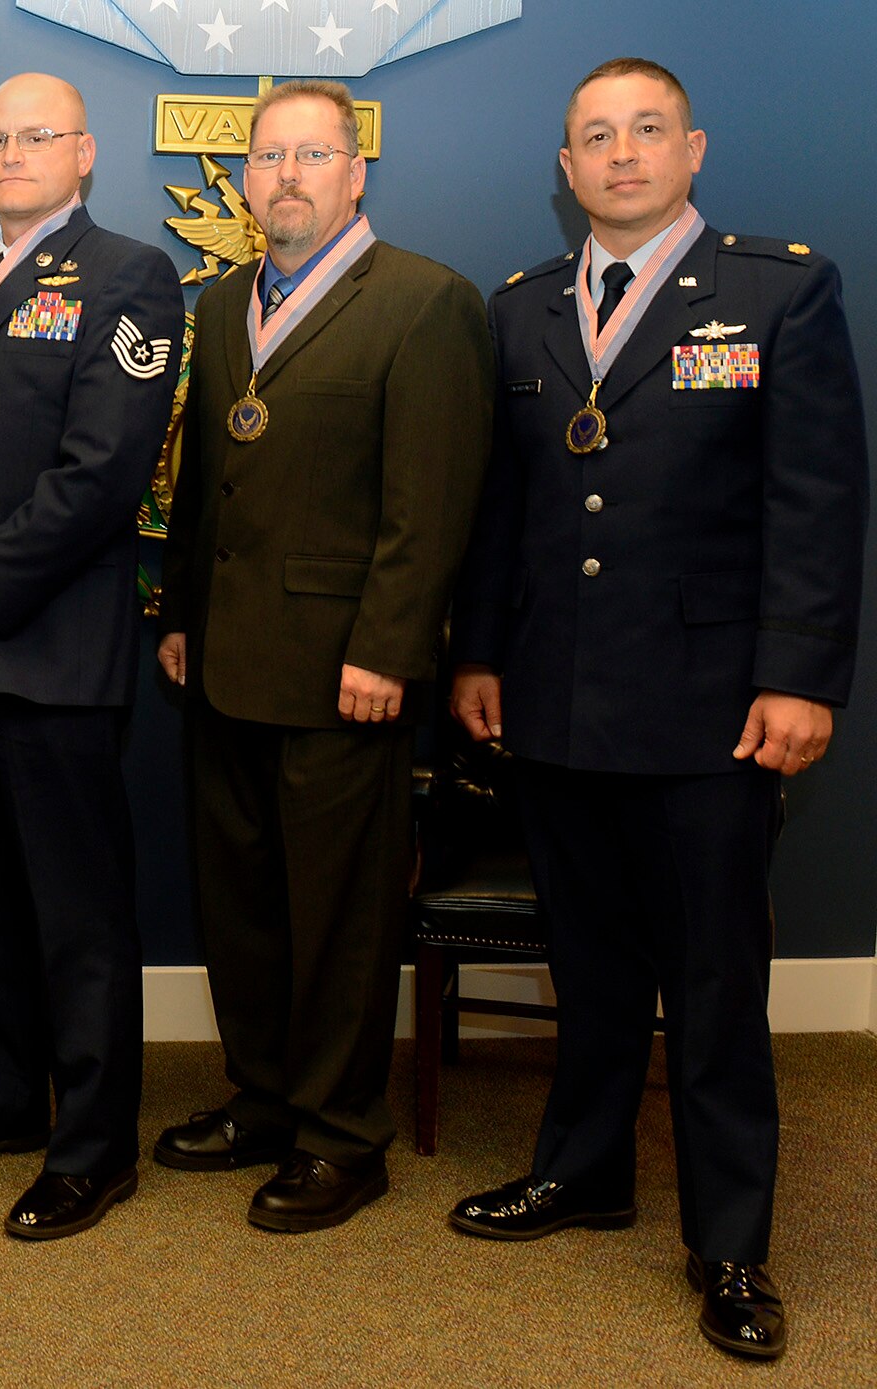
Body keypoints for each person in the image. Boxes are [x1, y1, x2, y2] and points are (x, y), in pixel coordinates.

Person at [445, 58, 867, 1361]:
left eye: (644, 131)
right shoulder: (522, 310)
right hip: (560, 699)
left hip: (711, 709)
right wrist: (479, 655)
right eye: (594, 138)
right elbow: (508, 509)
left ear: (692, 149)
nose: (620, 154)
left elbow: (817, 499)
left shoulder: (776, 289)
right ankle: (585, 1170)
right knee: (589, 963)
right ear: (565, 171)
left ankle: (731, 1242)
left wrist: (799, 673)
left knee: (715, 981)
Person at [156, 79, 493, 1232]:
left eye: (312, 155)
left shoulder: (422, 302)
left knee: (341, 916)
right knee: (240, 902)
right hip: (225, 663)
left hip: (346, 671)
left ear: (355, 175)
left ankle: (344, 1137)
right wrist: (177, 617)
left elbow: (430, 503)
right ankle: (263, 1100)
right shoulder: (217, 307)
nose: (286, 175)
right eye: (267, 157)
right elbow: (206, 487)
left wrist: (390, 650)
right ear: (245, 179)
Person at [0, 74, 181, 1240]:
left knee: (76, 915)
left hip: (49, 652)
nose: (11, 155)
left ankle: (91, 1147)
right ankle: (2, 1094)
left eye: (35, 137)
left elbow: (100, 475)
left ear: (84, 154)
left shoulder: (129, 278)